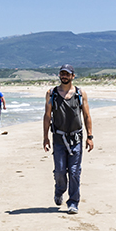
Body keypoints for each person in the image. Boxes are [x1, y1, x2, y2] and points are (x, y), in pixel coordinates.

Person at [42, 64, 94, 214]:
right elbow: (47, 116)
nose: (64, 76)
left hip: (76, 138)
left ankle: (73, 202)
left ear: (73, 76)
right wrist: (45, 137)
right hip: (58, 138)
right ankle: (59, 191)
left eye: (67, 74)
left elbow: (86, 115)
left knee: (74, 172)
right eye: (62, 74)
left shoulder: (80, 93)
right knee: (59, 171)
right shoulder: (51, 93)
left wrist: (90, 136)